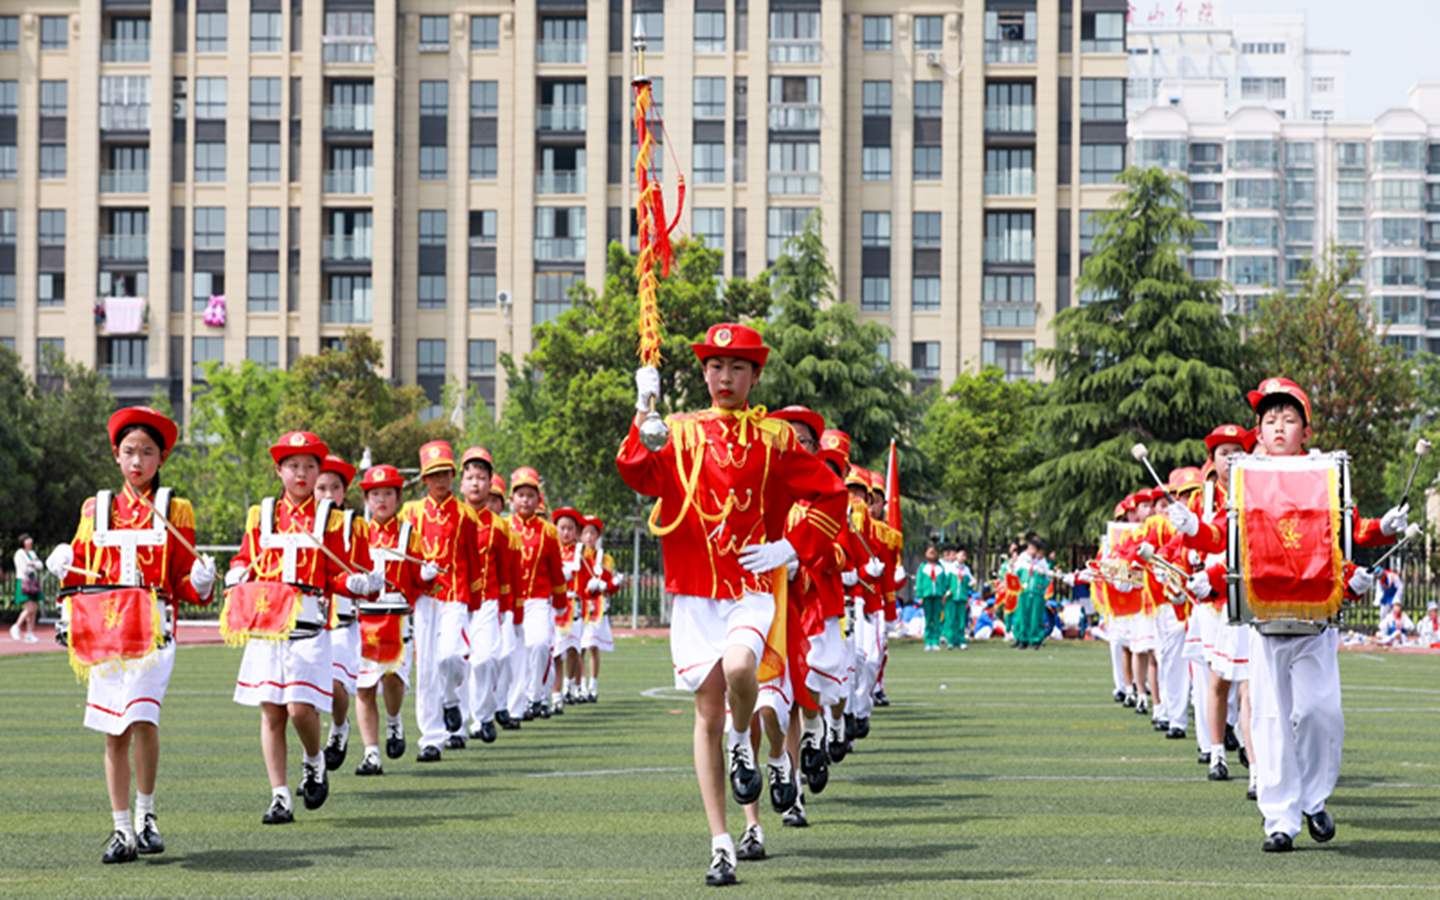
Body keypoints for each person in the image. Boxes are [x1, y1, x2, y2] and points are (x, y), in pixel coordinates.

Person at [617, 323, 848, 886]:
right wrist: (643, 407)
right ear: (702, 374)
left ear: (755, 375)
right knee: (706, 714)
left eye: (738, 367)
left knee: (743, 668)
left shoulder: (776, 438)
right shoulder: (677, 430)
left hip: (751, 586)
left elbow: (831, 492)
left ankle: (744, 741)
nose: (725, 377)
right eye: (715, 367)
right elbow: (636, 472)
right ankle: (721, 841)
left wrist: (789, 546)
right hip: (696, 591)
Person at [1172, 377, 1404, 852]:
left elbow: (1348, 529)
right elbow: (1228, 540)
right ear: (1258, 430)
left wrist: (1383, 529)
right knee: (1272, 720)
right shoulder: (1246, 476)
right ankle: (1280, 819)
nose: (1279, 427)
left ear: (1305, 429)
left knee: (1322, 714)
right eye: (1270, 419)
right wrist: (1194, 528)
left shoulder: (1325, 473)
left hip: (1315, 619)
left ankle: (1313, 799)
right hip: (1266, 618)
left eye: (1289, 419)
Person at [46, 407, 215, 863]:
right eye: (128, 452)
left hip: (154, 633)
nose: (137, 461)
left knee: (142, 718)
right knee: (113, 731)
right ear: (115, 457)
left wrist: (200, 581)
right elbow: (81, 572)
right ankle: (121, 830)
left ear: (162, 458)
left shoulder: (175, 508)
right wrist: (62, 563)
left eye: (147, 452)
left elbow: (182, 581)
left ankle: (146, 816)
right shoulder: (95, 508)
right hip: (106, 631)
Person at [226, 431, 379, 825]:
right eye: (293, 465)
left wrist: (359, 584)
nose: (301, 473)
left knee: (299, 709)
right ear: (279, 470)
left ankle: (314, 761)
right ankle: (279, 795)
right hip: (266, 622)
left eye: (310, 466)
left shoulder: (329, 517)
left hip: (310, 621)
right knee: (272, 713)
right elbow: (246, 557)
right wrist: (236, 571)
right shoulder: (262, 514)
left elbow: (336, 574)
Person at [400, 440, 485, 761]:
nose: (440, 480)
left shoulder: (465, 514)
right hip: (425, 597)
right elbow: (406, 556)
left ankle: (451, 699)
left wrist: (475, 602)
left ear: (453, 475)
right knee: (426, 669)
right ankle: (431, 738)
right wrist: (415, 577)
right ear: (424, 479)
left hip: (455, 595)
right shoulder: (411, 512)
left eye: (445, 473)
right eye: (433, 474)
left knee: (449, 657)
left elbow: (473, 560)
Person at [353, 463, 433, 775]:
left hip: (396, 620)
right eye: (375, 494)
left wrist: (426, 576)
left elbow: (418, 579)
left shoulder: (408, 534)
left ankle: (394, 719)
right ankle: (371, 752)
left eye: (388, 493)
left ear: (398, 497)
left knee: (392, 679)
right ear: (367, 499)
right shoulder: (358, 532)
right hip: (364, 621)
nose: (381, 499)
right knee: (363, 686)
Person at [457, 446, 513, 743]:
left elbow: (504, 570)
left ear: (491, 484)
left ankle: (484, 714)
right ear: (461, 483)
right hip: (456, 601)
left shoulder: (500, 526)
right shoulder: (452, 518)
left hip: (488, 601)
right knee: (460, 664)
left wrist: (507, 610)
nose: (475, 483)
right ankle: (459, 727)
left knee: (485, 660)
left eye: (481, 477)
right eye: (470, 477)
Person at [315, 454, 367, 772]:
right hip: (309, 620)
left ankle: (339, 727)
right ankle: (313, 762)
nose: (328, 494)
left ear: (345, 492)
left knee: (335, 684)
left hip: (343, 620)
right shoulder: (300, 522)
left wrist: (364, 580)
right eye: (322, 487)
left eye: (335, 487)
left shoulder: (354, 524)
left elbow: (363, 566)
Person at [505, 467, 567, 721]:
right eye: (521, 495)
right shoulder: (504, 527)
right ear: (512, 499)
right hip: (509, 602)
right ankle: (511, 705)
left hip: (538, 599)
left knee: (539, 644)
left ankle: (536, 696)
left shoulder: (549, 531)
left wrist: (560, 602)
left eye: (531, 495)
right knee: (512, 653)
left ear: (538, 499)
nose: (526, 500)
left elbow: (556, 570)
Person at [577, 515, 620, 702]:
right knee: (579, 648)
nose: (588, 537)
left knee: (593, 646)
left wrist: (612, 584)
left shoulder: (604, 558)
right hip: (580, 606)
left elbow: (609, 585)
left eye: (592, 533)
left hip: (596, 608)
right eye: (585, 533)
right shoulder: (576, 554)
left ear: (597, 536)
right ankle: (580, 686)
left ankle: (593, 687)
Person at [914, 544, 947, 652]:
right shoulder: (923, 567)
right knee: (928, 619)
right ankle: (928, 641)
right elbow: (919, 582)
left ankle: (935, 641)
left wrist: (943, 595)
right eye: (930, 552)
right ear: (926, 554)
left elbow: (943, 582)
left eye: (934, 552)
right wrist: (920, 595)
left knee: (937, 619)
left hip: (937, 596)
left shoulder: (940, 567)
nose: (932, 555)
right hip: (927, 596)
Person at [12, 534, 43, 643]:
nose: (30, 542)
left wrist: (32, 563)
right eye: (27, 541)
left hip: (33, 582)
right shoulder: (19, 553)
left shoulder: (32, 553)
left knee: (34, 610)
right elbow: (23, 568)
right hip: (24, 581)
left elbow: (40, 565)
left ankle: (30, 633)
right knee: (29, 608)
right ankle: (16, 626)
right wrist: (33, 564)